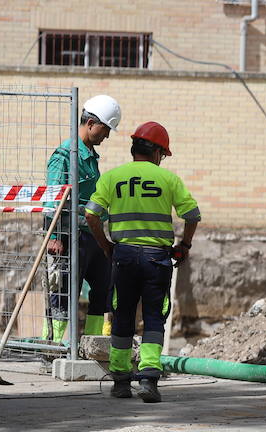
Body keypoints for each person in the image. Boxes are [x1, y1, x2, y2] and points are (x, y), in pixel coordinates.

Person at [85, 122, 201, 404]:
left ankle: (121, 381)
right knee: (153, 317)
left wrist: (106, 246)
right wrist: (183, 245)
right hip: (156, 260)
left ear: (134, 147)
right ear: (158, 152)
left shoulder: (112, 177)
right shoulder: (168, 180)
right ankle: (149, 379)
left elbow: (91, 214)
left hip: (123, 257)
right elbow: (193, 215)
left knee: (121, 316)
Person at [45, 95, 121, 343]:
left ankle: (92, 344)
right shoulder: (64, 155)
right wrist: (54, 236)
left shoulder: (89, 155)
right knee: (65, 292)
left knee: (103, 288)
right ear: (90, 123)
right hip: (70, 236)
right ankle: (53, 346)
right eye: (105, 129)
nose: (106, 136)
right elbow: (52, 199)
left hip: (92, 234)